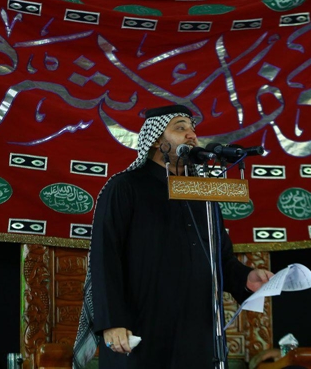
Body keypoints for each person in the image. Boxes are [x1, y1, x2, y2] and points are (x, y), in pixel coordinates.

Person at [72, 104, 274, 369]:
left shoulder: (204, 194)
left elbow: (220, 258)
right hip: (139, 331)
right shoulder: (125, 187)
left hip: (196, 334)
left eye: (193, 129)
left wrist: (246, 278)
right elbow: (104, 258)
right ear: (156, 140)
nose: (192, 135)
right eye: (180, 128)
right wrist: (112, 322)